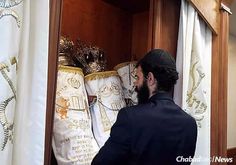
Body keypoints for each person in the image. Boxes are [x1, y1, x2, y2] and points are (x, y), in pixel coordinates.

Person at [91, 49, 197, 165]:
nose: (135, 84)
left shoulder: (130, 117)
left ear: (150, 79)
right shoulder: (190, 124)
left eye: (137, 77)